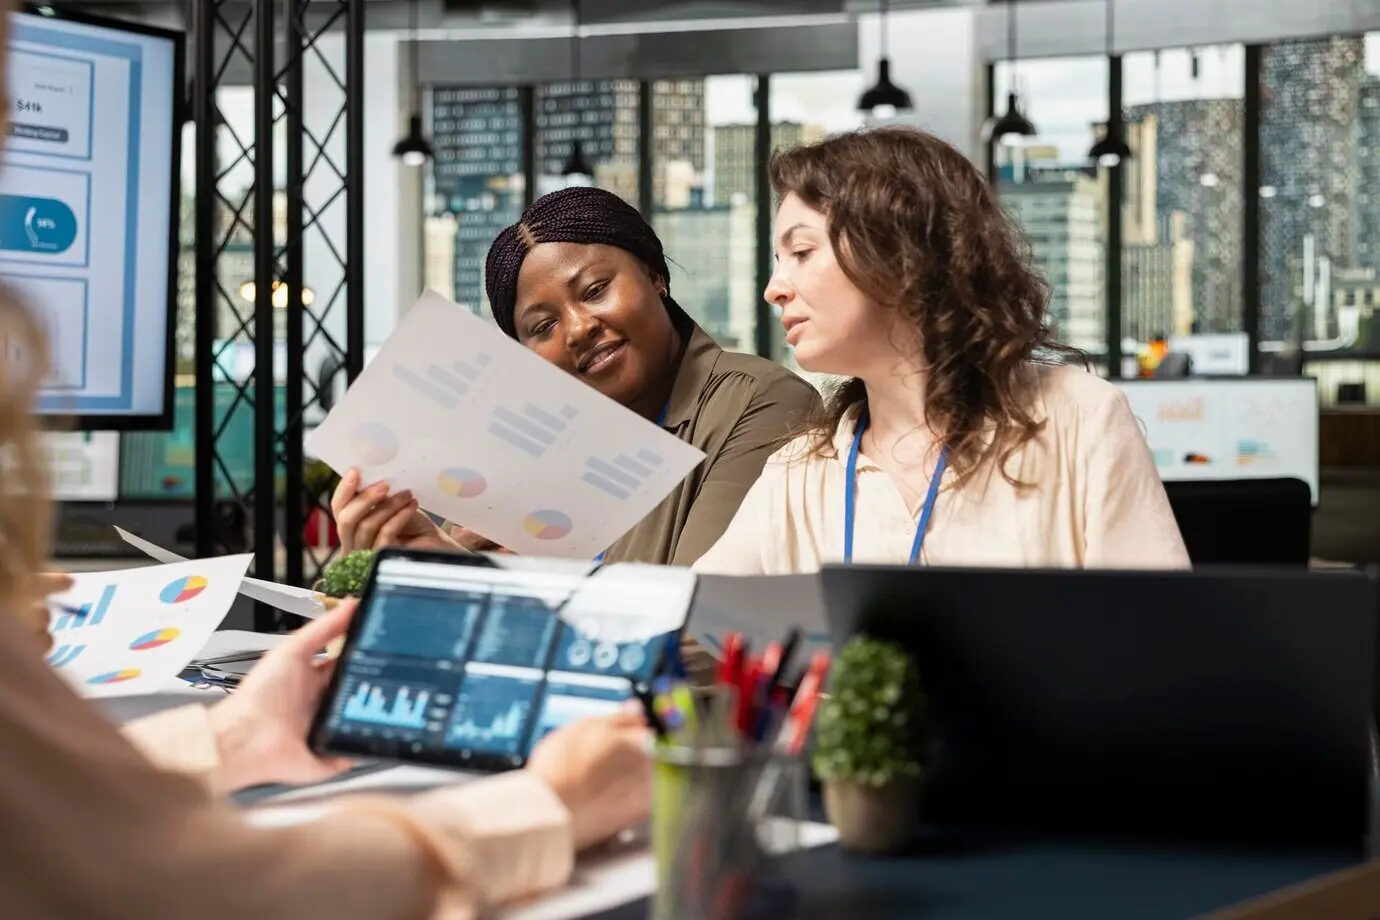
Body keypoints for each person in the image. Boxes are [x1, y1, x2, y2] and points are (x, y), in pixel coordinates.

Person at [693, 127, 1189, 575]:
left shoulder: (1078, 419)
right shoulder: (798, 471)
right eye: (780, 261)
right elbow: (683, 619)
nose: (775, 288)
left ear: (902, 253)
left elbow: (1162, 643)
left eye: (801, 253)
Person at [331, 186, 821, 566]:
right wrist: (436, 565)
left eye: (595, 289)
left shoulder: (762, 402)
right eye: (543, 326)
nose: (579, 328)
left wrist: (522, 590)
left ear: (656, 275)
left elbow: (697, 631)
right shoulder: (524, 456)